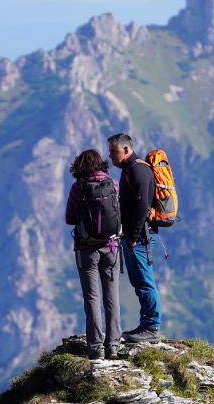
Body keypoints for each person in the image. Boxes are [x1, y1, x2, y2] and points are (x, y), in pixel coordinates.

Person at [65, 149, 122, 359]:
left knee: (92, 297)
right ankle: (114, 344)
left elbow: (69, 217)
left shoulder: (78, 188)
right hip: (112, 248)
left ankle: (96, 347)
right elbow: (119, 214)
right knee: (112, 296)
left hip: (86, 250)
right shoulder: (113, 185)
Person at [107, 133, 161, 343]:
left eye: (114, 152)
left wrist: (133, 237)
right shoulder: (131, 170)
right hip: (135, 236)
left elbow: (142, 207)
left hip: (140, 238)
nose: (111, 156)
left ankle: (151, 327)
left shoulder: (138, 171)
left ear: (126, 150)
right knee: (139, 281)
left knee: (144, 281)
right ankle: (146, 325)